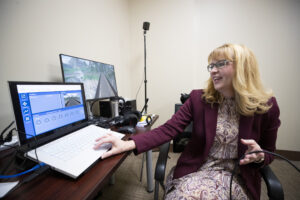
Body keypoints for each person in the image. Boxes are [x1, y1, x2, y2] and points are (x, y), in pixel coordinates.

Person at [94, 43, 281, 200]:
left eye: (220, 64)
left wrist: (260, 156)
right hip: (198, 170)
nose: (213, 70)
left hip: (238, 178)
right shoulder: (199, 99)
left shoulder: (266, 107)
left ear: (243, 67)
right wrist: (127, 144)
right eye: (211, 66)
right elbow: (168, 129)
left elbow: (269, 152)